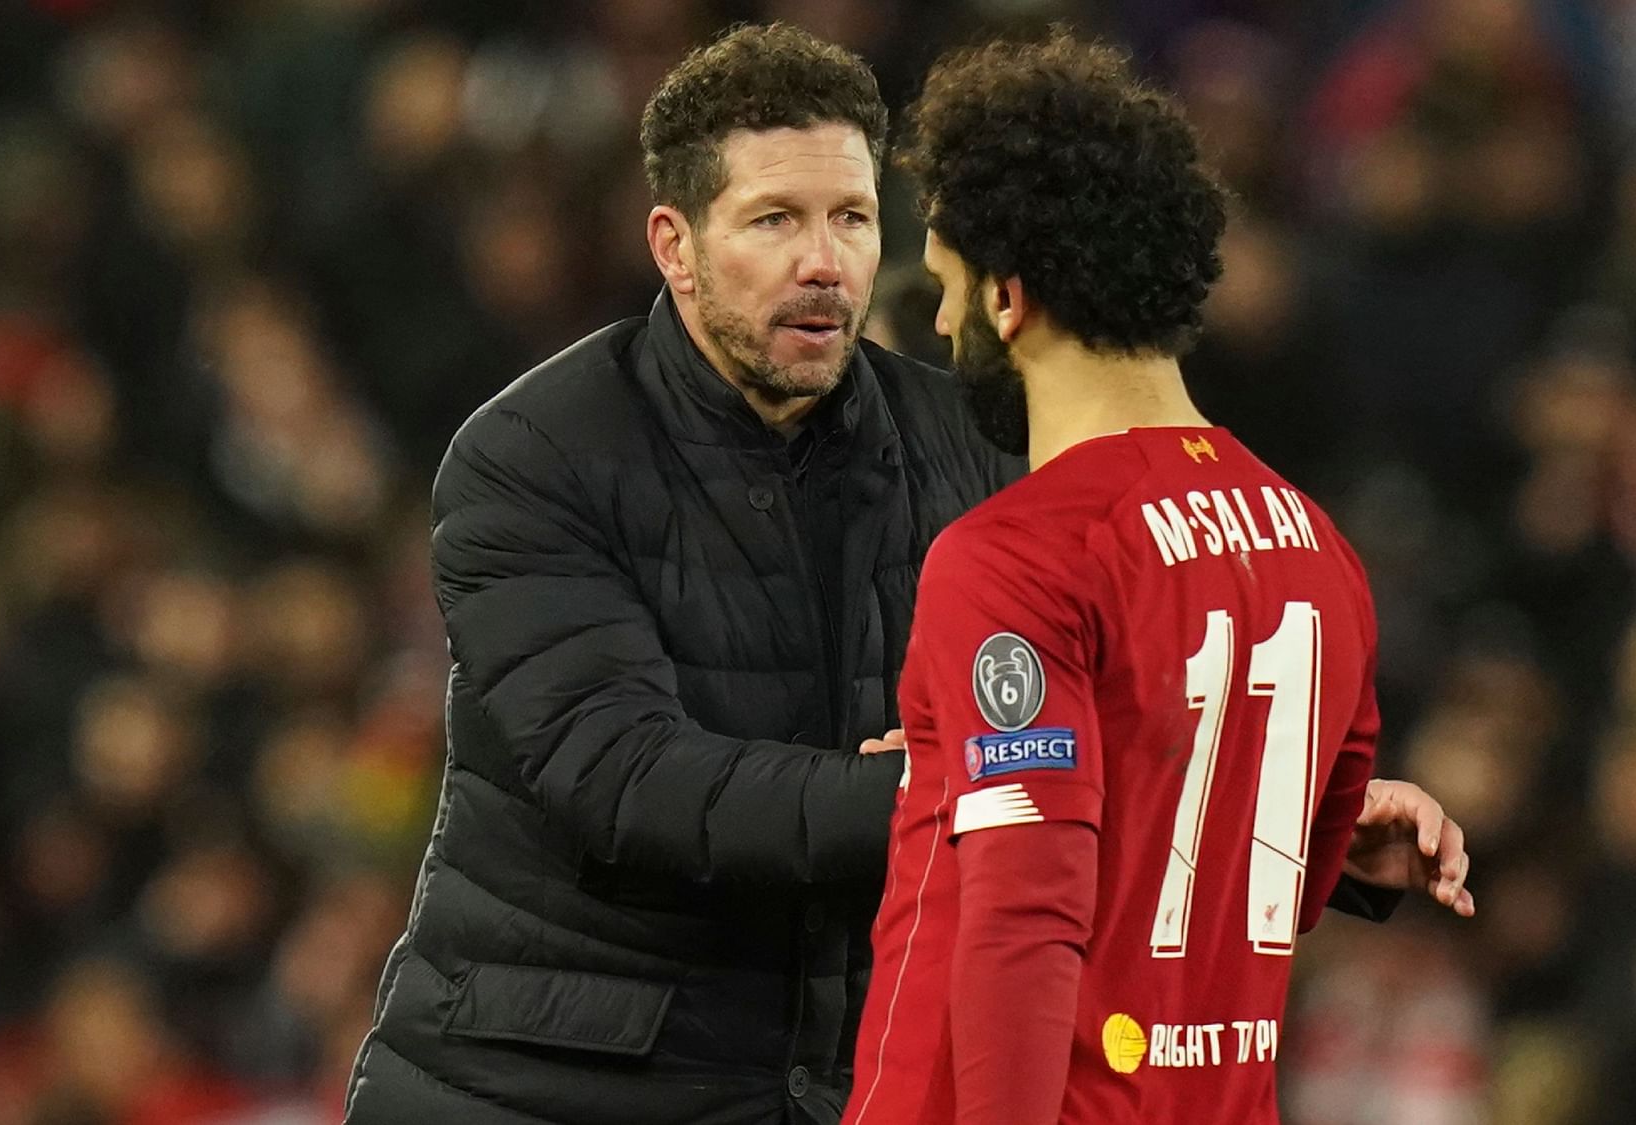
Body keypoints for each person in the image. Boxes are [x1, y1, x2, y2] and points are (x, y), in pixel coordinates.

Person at [346, 24, 1469, 1125]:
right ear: (672, 244)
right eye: (773, 220)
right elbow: (629, 781)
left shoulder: (972, 451)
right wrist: (971, 791)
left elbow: (1073, 750)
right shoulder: (533, 457)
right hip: (546, 1084)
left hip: (817, 1085)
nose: (823, 262)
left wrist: (1283, 808)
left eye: (850, 218)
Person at [847, 33, 1453, 1125]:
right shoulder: (1314, 548)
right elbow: (1292, 867)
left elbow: (1020, 920)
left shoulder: (1012, 558)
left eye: (942, 284)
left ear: (1007, 298)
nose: (933, 321)